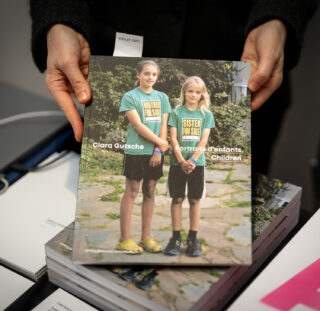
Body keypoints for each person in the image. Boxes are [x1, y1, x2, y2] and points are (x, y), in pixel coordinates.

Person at [29, 0, 317, 174]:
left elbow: (196, 135)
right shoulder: (130, 98)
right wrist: (59, 16)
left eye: (196, 93)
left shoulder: (201, 113)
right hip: (111, 56)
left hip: (246, 65)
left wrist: (278, 15)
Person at [117, 60, 171, 254]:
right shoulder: (130, 97)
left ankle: (146, 238)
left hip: (155, 152)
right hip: (135, 151)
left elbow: (164, 124)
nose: (150, 77)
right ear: (138, 75)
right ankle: (124, 239)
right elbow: (138, 126)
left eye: (154, 74)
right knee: (132, 191)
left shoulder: (162, 97)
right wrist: (162, 143)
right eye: (146, 73)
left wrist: (158, 149)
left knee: (150, 191)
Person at [164, 76, 214, 257]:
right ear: (184, 92)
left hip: (197, 164)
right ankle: (175, 237)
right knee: (177, 199)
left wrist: (192, 160)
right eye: (190, 91)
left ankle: (192, 238)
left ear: (202, 95)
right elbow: (174, 138)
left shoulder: (206, 115)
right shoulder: (176, 113)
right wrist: (180, 160)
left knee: (194, 200)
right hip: (178, 164)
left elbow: (204, 140)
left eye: (197, 92)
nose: (193, 95)